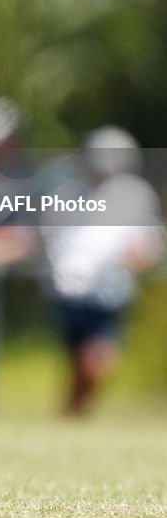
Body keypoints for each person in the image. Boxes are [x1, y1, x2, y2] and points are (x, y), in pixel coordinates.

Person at [40, 126, 164, 415]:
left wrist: (139, 255)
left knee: (97, 360)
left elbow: (148, 244)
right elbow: (53, 239)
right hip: (69, 293)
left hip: (109, 291)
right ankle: (72, 415)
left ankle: (73, 413)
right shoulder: (67, 192)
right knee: (77, 361)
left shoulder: (136, 195)